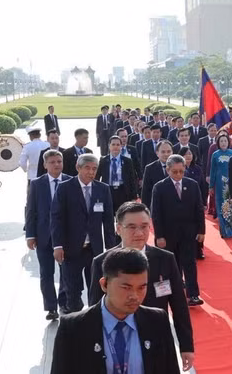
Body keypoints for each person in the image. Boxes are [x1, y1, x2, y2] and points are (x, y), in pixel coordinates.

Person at [88, 201, 195, 368]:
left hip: (157, 339)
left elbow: (179, 306)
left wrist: (186, 346)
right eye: (131, 227)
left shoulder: (165, 259)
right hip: (116, 341)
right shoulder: (102, 263)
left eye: (144, 226)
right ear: (118, 229)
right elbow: (94, 310)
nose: (139, 233)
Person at [51, 248, 189, 374]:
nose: (134, 296)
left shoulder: (157, 321)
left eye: (141, 287)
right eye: (126, 287)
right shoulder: (73, 328)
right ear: (104, 284)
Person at [51, 154, 116, 313]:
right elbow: (57, 218)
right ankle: (75, 317)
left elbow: (108, 220)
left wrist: (111, 248)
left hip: (94, 249)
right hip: (70, 249)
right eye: (87, 168)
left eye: (94, 169)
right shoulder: (65, 188)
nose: (91, 172)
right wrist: (57, 246)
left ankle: (94, 319)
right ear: (78, 168)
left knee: (96, 289)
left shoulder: (103, 189)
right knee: (72, 291)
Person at [151, 155, 205, 306]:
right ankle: (169, 296)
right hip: (168, 235)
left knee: (190, 263)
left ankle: (193, 295)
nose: (178, 175)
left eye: (181, 171)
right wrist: (159, 236)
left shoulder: (192, 185)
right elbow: (156, 214)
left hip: (188, 233)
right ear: (168, 170)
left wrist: (201, 231)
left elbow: (199, 209)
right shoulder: (159, 187)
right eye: (174, 171)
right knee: (169, 266)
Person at [25, 149, 71, 319]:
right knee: (46, 273)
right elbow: (31, 210)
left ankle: (64, 303)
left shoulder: (71, 181)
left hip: (66, 236)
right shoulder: (37, 184)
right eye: (52, 162)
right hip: (44, 236)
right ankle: (51, 307)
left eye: (59, 161)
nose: (56, 165)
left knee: (66, 272)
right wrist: (30, 235)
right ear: (45, 165)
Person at [97, 137, 139, 216]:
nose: (115, 147)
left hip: (122, 191)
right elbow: (97, 177)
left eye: (118, 145)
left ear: (121, 146)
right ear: (109, 146)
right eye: (113, 144)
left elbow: (132, 179)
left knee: (123, 215)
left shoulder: (127, 161)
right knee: (108, 215)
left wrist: (134, 196)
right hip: (108, 191)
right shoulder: (103, 161)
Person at [209, 134, 232, 238]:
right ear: (218, 143)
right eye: (221, 141)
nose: (223, 143)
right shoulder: (215, 154)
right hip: (219, 183)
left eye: (225, 141)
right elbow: (212, 170)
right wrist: (211, 186)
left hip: (231, 182)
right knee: (221, 204)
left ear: (228, 142)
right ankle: (224, 231)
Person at [141, 141, 172, 210]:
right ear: (157, 153)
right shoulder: (150, 168)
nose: (166, 154)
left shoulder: (178, 167)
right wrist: (146, 210)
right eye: (163, 152)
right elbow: (146, 192)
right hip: (157, 207)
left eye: (169, 151)